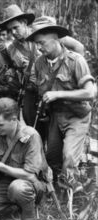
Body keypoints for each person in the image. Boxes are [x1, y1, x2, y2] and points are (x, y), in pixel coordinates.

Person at [26, 18, 95, 187]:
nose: (39, 48)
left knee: (69, 157)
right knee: (52, 157)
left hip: (77, 116)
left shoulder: (75, 60)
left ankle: (70, 198)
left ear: (55, 39)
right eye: (36, 44)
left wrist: (58, 94)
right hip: (55, 116)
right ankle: (59, 188)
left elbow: (90, 92)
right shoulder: (39, 63)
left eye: (41, 43)